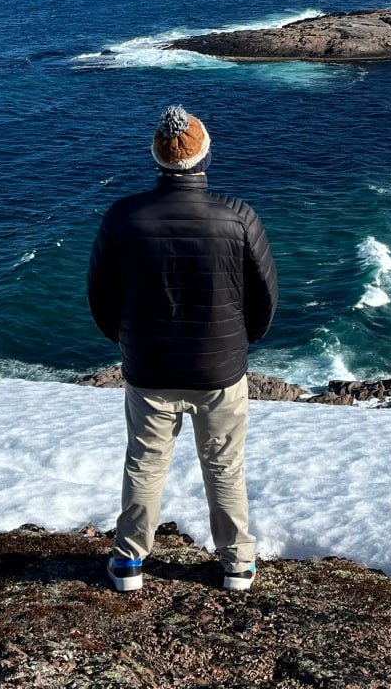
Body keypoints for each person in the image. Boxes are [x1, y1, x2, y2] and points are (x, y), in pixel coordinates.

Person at [87, 103, 278, 593]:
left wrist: (127, 342)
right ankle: (237, 565)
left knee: (145, 464)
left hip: (149, 367)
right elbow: (265, 298)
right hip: (220, 371)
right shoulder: (237, 217)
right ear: (205, 156)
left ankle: (129, 564)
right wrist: (239, 345)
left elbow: (100, 296)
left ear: (157, 157)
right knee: (224, 465)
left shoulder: (123, 216)